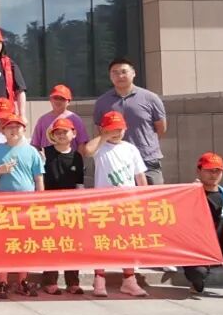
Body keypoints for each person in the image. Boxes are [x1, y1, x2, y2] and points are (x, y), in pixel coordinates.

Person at [83, 110, 149, 298]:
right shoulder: (100, 148)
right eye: (112, 129)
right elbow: (87, 151)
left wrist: (144, 198)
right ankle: (99, 278)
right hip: (103, 203)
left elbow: (140, 176)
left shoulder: (130, 149)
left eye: (119, 129)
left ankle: (129, 279)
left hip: (127, 203)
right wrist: (104, 136)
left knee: (127, 242)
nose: (116, 132)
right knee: (102, 241)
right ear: (103, 129)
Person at [0, 114, 43, 299]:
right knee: (4, 242)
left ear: (24, 129)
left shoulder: (32, 151)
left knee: (24, 243)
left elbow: (38, 179)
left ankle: (22, 280)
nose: (14, 130)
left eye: (17, 127)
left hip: (26, 205)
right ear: (3, 131)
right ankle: (2, 281)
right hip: (4, 204)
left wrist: (40, 202)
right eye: (10, 127)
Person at [91, 57, 168, 185]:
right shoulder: (102, 102)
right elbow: (99, 130)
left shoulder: (151, 98)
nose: (120, 76)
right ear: (110, 76)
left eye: (124, 72)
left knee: (152, 196)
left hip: (148, 160)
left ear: (133, 73)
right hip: (116, 163)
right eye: (115, 72)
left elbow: (161, 128)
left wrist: (146, 143)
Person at [40, 117, 85, 296]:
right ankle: (50, 281)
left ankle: (73, 282)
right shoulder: (45, 153)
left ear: (73, 133)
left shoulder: (77, 157)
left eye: (64, 132)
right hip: (49, 207)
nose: (61, 135)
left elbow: (80, 183)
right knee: (51, 244)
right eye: (57, 132)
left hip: (71, 209)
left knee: (72, 244)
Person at [184, 153, 223, 297]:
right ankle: (198, 285)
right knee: (197, 273)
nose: (214, 175)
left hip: (220, 245)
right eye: (209, 170)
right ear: (199, 170)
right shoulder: (188, 194)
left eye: (217, 171)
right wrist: (191, 192)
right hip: (196, 249)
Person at [31, 84, 90, 152]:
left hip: (69, 158)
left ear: (68, 101)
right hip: (47, 158)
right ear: (50, 99)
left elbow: (81, 144)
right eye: (56, 98)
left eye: (62, 99)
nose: (58, 101)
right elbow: (35, 145)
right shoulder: (43, 120)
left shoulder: (75, 119)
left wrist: (78, 158)